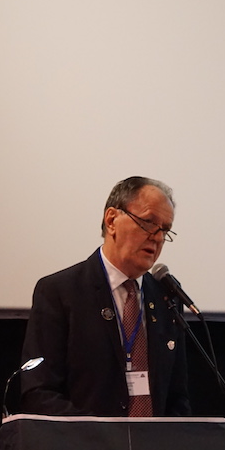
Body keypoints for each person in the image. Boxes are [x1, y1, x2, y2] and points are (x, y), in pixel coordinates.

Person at [20, 176, 191, 417]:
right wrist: (99, 435)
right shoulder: (60, 292)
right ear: (111, 220)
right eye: (149, 222)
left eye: (165, 229)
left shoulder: (166, 297)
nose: (158, 237)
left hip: (153, 441)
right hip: (84, 440)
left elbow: (177, 397)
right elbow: (39, 392)